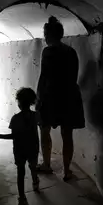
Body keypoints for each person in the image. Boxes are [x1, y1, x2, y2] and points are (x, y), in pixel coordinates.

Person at [36, 16, 85, 181]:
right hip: (69, 97)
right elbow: (74, 76)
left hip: (50, 97)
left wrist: (39, 98)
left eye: (45, 33)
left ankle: (47, 164)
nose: (44, 36)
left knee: (44, 130)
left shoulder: (47, 51)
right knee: (67, 134)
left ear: (49, 35)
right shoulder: (71, 51)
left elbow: (44, 77)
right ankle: (66, 171)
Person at [0, 87, 40, 205]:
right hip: (33, 148)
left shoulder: (16, 119)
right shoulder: (36, 116)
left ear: (19, 102)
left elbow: (13, 136)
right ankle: (35, 182)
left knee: (20, 173)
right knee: (33, 167)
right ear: (32, 102)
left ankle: (22, 198)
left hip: (20, 150)